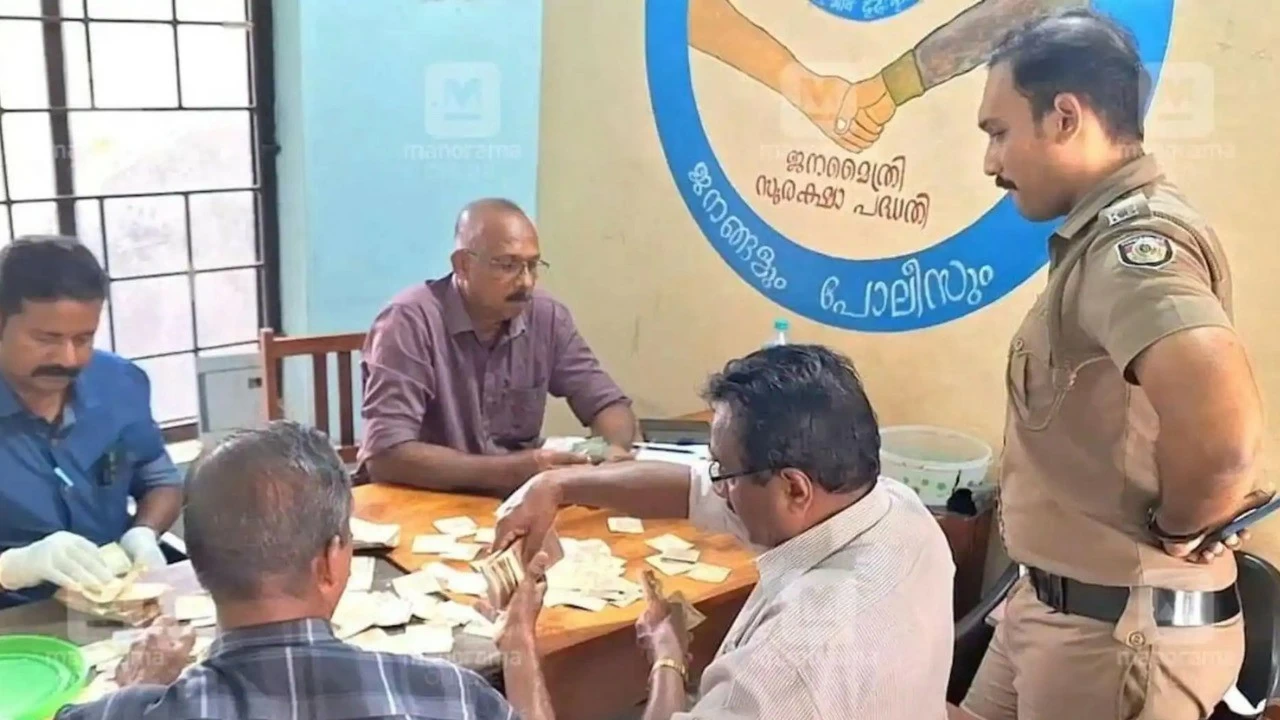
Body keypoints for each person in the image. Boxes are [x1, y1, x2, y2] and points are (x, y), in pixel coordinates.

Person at [962, 9, 1267, 720]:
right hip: (1054, 606)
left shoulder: (1134, 247)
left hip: (1115, 635)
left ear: (1065, 117)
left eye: (999, 132)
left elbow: (1224, 440)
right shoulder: (1096, 241)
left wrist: (1183, 522)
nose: (991, 163)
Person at [491, 344, 956, 719]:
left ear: (794, 488)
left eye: (724, 472)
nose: (718, 488)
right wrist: (555, 485)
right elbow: (694, 488)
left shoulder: (782, 669)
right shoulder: (901, 511)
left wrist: (519, 646)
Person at [57, 420, 517, 720]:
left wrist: (135, 692)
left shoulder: (128, 712)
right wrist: (523, 652)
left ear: (197, 565)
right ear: (331, 561)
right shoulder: (452, 697)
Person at [359, 198, 639, 495]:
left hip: (517, 499)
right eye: (508, 265)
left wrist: (611, 452)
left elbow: (608, 404)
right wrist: (516, 470)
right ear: (463, 265)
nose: (526, 282)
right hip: (423, 498)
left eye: (532, 265)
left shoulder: (547, 316)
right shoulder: (408, 321)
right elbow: (386, 455)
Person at [0, 237, 180, 608]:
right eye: (46, 339)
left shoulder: (120, 383)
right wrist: (11, 567)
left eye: (84, 339)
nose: (68, 359)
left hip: (116, 602)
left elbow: (158, 478)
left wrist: (144, 532)